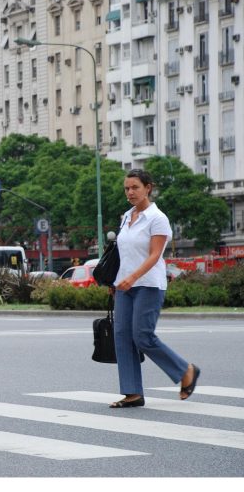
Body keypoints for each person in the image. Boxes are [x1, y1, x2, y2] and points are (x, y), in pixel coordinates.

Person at [109, 169, 200, 408]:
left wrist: (133, 277)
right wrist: (117, 280)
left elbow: (154, 255)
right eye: (127, 188)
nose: (130, 192)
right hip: (124, 285)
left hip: (148, 284)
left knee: (143, 336)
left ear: (148, 187)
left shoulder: (157, 218)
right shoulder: (126, 216)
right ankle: (132, 393)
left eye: (135, 187)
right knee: (122, 337)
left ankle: (186, 370)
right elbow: (124, 253)